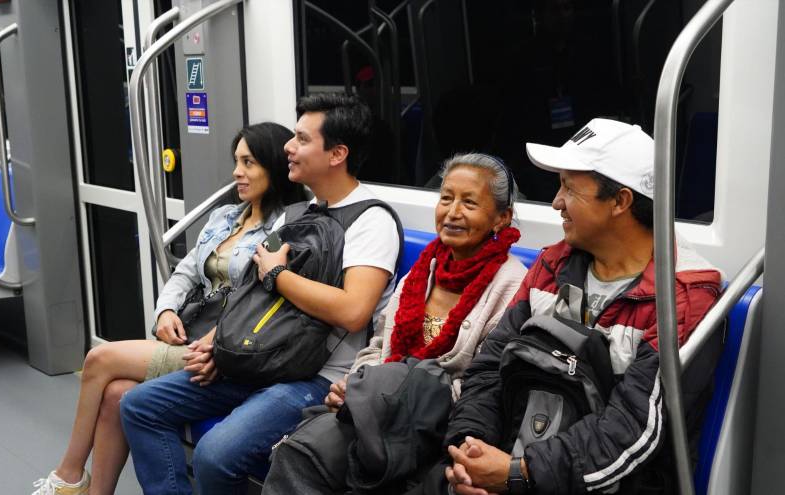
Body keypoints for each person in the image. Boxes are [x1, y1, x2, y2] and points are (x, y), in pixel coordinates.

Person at [120, 93, 402, 495]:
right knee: (139, 406)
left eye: (302, 139)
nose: (289, 146)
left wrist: (280, 275)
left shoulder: (371, 221)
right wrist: (219, 343)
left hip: (318, 375)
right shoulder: (298, 214)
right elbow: (253, 296)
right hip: (269, 356)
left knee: (215, 455)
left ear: (337, 153)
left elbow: (353, 311)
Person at [439, 118, 722, 494]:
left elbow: (631, 429)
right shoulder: (553, 267)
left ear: (620, 201)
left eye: (569, 189)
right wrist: (470, 450)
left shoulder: (683, 298)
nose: (556, 203)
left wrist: (517, 474)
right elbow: (490, 368)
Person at [31, 122, 305, 495]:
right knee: (116, 395)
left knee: (99, 360)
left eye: (249, 162)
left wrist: (215, 341)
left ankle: (69, 476)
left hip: (219, 347)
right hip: (191, 331)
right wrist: (165, 312)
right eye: (236, 161)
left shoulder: (286, 227)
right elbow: (186, 272)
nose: (237, 172)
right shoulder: (224, 218)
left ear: (274, 167)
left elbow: (256, 300)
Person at [262, 152, 529, 494]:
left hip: (442, 426)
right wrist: (355, 385)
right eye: (446, 198)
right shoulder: (423, 272)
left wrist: (377, 398)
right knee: (298, 456)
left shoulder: (510, 285)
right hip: (379, 408)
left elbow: (487, 384)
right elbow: (378, 346)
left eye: (469, 203)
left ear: (501, 218)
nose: (452, 212)